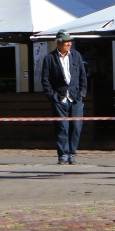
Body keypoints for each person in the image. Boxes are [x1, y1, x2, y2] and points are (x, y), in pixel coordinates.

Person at [41, 29, 87, 165]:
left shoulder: (76, 56)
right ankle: (63, 154)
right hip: (59, 97)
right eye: (66, 42)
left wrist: (82, 93)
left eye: (70, 42)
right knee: (61, 127)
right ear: (59, 43)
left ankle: (72, 153)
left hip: (75, 97)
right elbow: (45, 80)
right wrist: (52, 96)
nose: (68, 45)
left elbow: (83, 76)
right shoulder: (49, 58)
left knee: (76, 126)